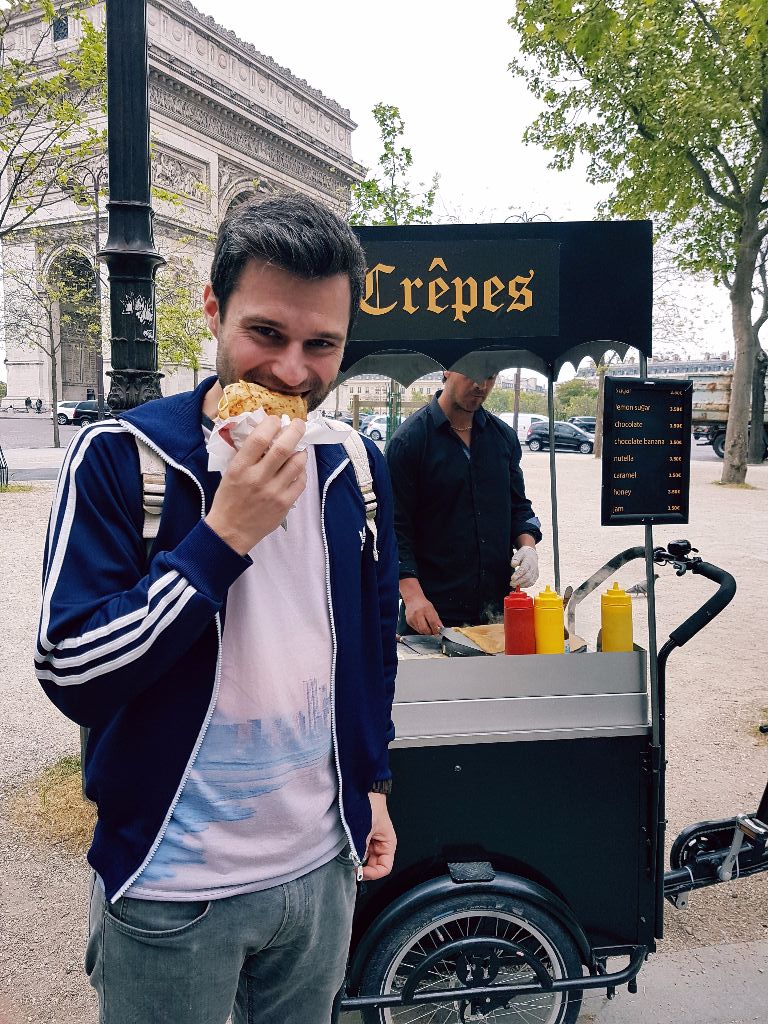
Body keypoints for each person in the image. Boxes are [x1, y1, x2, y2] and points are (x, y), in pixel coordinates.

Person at [35, 195, 399, 1024]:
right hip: (171, 885)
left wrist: (373, 784)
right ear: (211, 308)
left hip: (320, 871)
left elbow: (372, 650)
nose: (293, 372)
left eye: (323, 345)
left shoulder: (358, 469)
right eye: (266, 334)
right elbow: (70, 671)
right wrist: (222, 538)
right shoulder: (125, 459)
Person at [387, 370, 542, 635]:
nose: (481, 385)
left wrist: (528, 549)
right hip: (432, 613)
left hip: (497, 610)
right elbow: (394, 528)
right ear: (447, 370)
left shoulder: (503, 437)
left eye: (490, 376)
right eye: (472, 373)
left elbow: (519, 507)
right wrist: (412, 597)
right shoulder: (409, 441)